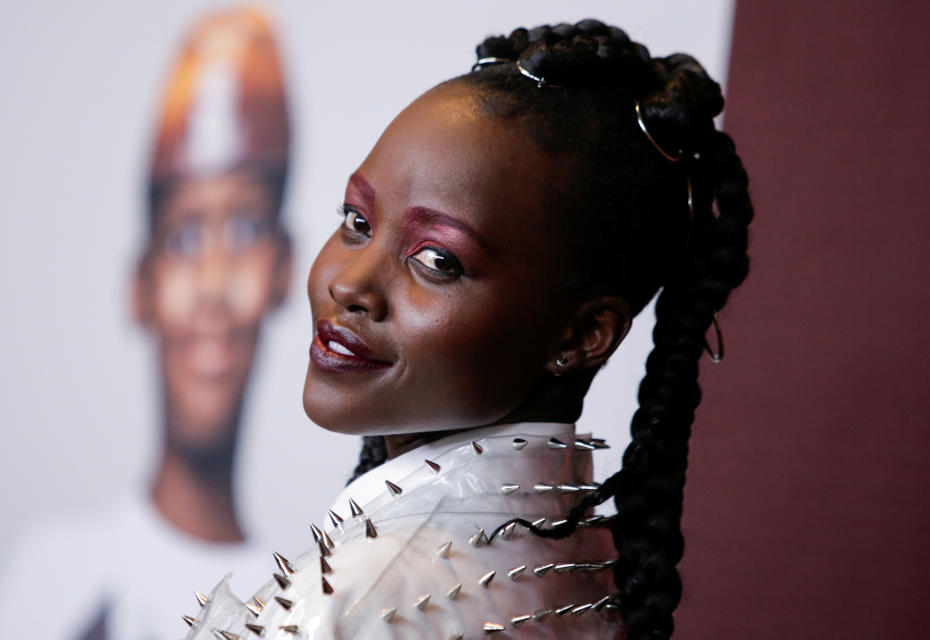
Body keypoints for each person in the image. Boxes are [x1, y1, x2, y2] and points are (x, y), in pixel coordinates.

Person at [183, 18, 752, 640]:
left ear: (581, 335)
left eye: (437, 261)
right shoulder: (576, 557)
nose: (350, 285)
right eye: (356, 221)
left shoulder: (353, 603)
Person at [0, 8, 292, 640]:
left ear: (283, 268)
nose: (214, 283)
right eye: (185, 236)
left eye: (244, 228)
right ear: (141, 286)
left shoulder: (303, 612)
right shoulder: (51, 575)